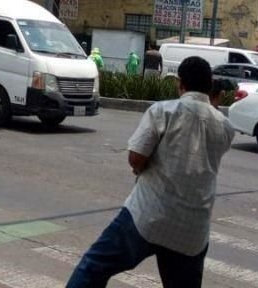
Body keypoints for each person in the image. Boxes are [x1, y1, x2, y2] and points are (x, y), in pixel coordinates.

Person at [66, 56, 235, 288]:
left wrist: (141, 167)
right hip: (192, 229)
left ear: (180, 84)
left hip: (147, 215)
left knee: (93, 268)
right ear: (210, 86)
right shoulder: (225, 127)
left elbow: (136, 157)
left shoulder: (163, 111)